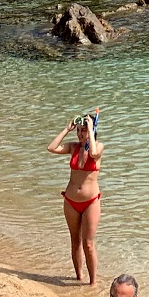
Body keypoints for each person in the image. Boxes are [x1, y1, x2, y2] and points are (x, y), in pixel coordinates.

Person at [48, 111, 103, 283]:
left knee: (88, 244)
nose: (80, 134)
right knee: (75, 240)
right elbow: (51, 147)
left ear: (92, 131)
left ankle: (93, 283)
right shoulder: (73, 147)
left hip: (90, 201)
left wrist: (91, 131)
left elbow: (93, 154)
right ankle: (79, 277)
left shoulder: (99, 146)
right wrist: (67, 129)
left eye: (83, 130)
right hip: (71, 201)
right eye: (78, 130)